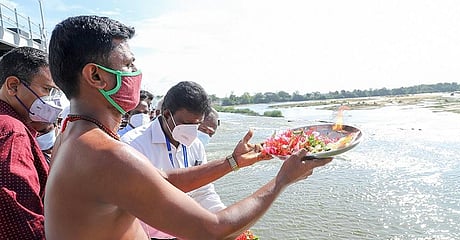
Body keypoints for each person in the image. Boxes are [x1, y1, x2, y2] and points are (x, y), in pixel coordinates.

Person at [45, 15, 332, 240]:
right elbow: (213, 229)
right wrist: (283, 179)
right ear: (95, 75)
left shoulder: (71, 135)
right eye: (128, 65)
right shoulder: (105, 154)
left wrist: (233, 162)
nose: (136, 74)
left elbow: (161, 180)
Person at [122, 81, 228, 239]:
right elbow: (134, 205)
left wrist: (225, 222)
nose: (191, 131)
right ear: (165, 114)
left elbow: (204, 191)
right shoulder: (133, 145)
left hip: (186, 232)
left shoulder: (196, 145)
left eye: (197, 124)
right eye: (186, 123)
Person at [0, 47, 62, 240]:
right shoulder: (12, 130)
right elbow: (14, 208)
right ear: (13, 86)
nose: (53, 101)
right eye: (47, 89)